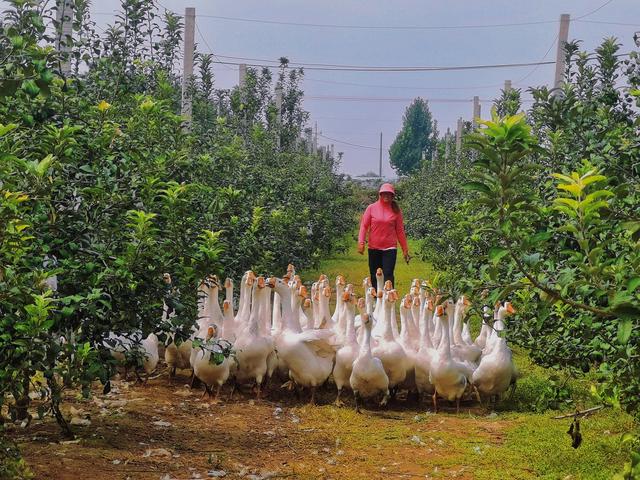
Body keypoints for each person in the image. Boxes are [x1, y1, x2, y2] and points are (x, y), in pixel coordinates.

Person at [357, 183, 410, 291]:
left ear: (392, 196)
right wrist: (361, 243)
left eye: (389, 194)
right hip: (374, 248)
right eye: (384, 194)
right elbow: (364, 226)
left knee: (388, 274)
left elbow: (400, 231)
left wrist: (405, 249)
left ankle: (389, 299)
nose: (386, 196)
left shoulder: (396, 211)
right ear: (380, 195)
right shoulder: (371, 208)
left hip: (390, 248)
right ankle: (376, 300)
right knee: (374, 274)